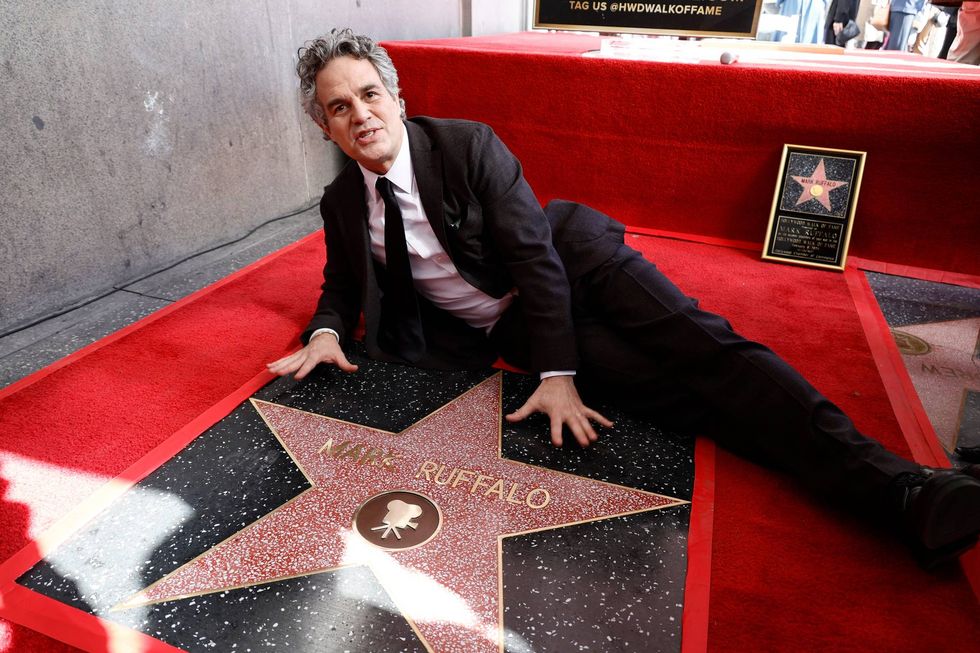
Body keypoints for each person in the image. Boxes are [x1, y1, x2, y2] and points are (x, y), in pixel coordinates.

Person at [268, 28, 980, 568]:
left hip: (577, 265)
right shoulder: (340, 202)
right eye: (339, 106)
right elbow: (340, 281)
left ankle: (903, 487)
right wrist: (328, 329)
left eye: (369, 94)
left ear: (396, 98)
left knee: (709, 351)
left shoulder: (466, 147)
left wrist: (556, 373)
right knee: (676, 396)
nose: (360, 114)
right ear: (323, 126)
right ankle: (878, 495)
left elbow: (536, 258)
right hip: (517, 330)